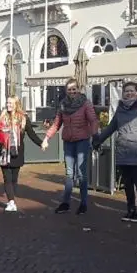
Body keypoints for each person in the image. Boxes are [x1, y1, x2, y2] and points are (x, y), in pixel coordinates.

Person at [93, 82, 137, 222]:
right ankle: (130, 209)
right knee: (127, 184)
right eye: (126, 91)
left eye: (132, 91)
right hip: (123, 152)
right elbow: (111, 127)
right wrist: (98, 140)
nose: (129, 93)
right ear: (123, 93)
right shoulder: (120, 110)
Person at [42, 77, 99, 215]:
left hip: (82, 140)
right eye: (69, 89)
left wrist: (95, 135)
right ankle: (66, 203)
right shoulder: (63, 105)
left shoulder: (85, 103)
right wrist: (46, 138)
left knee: (81, 172)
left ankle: (83, 203)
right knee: (69, 173)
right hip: (68, 141)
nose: (72, 91)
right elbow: (56, 124)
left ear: (78, 89)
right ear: (66, 91)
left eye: (74, 89)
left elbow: (93, 120)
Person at [0, 96, 43, 211]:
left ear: (16, 104)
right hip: (3, 151)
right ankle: (11, 202)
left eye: (11, 103)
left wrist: (41, 143)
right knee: (7, 178)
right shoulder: (1, 116)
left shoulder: (23, 118)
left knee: (14, 178)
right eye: (7, 102)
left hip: (16, 152)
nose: (8, 105)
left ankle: (11, 198)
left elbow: (31, 133)